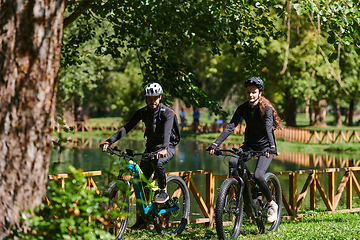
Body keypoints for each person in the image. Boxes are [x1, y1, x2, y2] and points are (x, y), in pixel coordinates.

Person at [100, 82, 178, 229]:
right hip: (150, 148)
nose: (152, 101)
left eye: (155, 97)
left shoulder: (167, 112)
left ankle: (163, 191)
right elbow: (127, 127)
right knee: (141, 184)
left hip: (168, 147)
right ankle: (144, 218)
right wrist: (109, 141)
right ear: (146, 98)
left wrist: (165, 148)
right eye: (149, 98)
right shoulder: (143, 112)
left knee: (158, 163)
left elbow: (167, 132)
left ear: (160, 97)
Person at [206, 76, 283, 223]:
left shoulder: (265, 110)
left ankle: (271, 204)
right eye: (248, 92)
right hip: (249, 144)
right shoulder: (242, 108)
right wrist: (216, 144)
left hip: (266, 147)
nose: (251, 95)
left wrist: (272, 147)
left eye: (254, 92)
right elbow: (230, 127)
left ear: (260, 92)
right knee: (233, 161)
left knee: (259, 175)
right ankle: (236, 195)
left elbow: (268, 129)